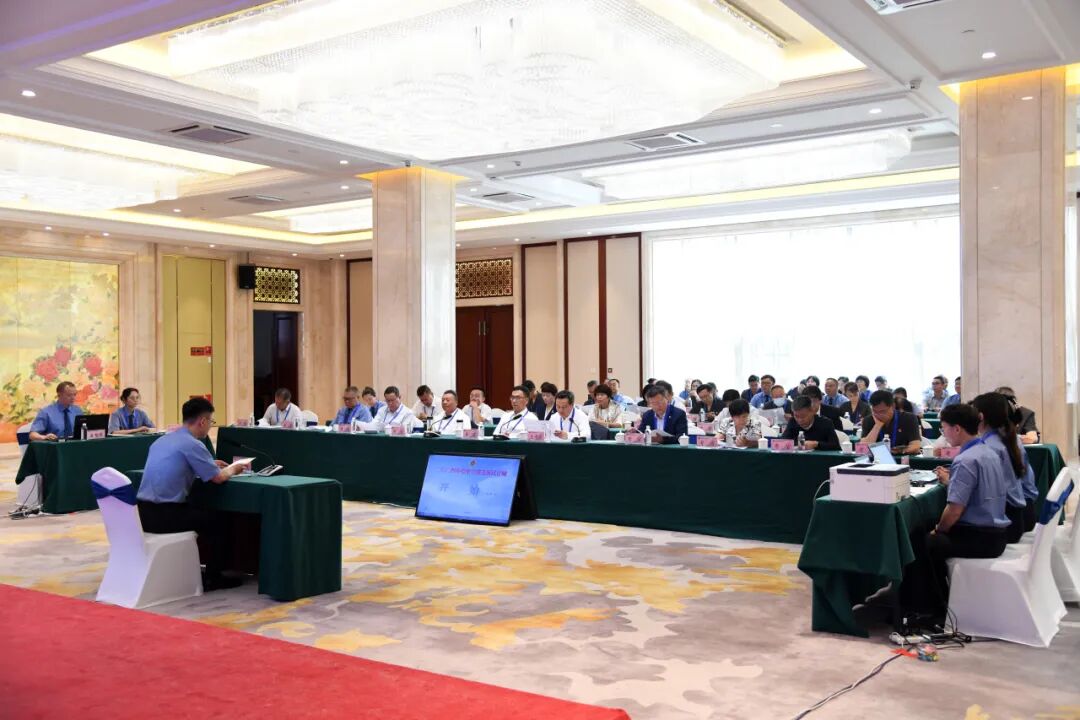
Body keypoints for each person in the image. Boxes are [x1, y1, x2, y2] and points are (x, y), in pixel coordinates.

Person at [136, 397, 242, 591]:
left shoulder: (162, 440)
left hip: (142, 514)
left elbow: (180, 463)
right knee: (219, 520)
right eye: (211, 421)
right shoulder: (193, 444)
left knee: (201, 513)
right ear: (202, 421)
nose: (210, 425)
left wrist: (208, 464)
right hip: (166, 515)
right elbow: (218, 478)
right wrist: (234, 469)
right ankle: (213, 577)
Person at [913, 402, 1010, 613]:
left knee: (924, 542)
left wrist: (938, 530)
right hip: (997, 532)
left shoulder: (965, 460)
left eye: (944, 428)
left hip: (980, 537)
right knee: (923, 529)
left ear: (957, 428)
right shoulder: (988, 451)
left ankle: (932, 608)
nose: (944, 433)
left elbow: (954, 511)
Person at [968, 392, 1037, 542]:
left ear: (980, 417)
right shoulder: (1011, 438)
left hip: (1006, 522)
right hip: (1021, 515)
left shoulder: (990, 447)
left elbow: (984, 491)